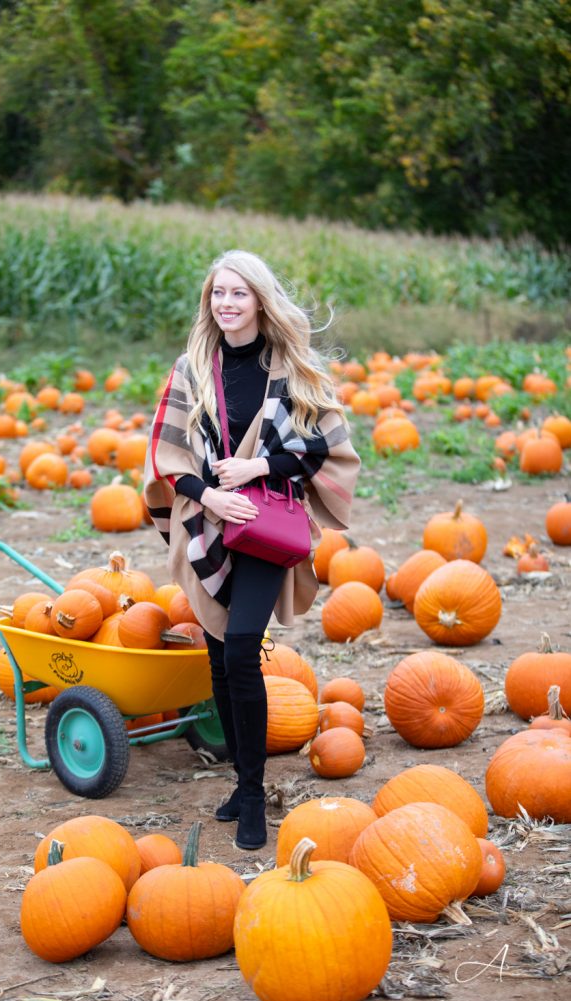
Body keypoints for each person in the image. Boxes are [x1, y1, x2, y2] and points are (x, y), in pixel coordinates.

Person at [143, 250, 360, 850]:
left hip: (267, 527)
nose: (227, 304)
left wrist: (260, 465)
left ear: (260, 300)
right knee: (217, 656)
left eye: (239, 293)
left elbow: (324, 449)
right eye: (218, 293)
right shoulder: (192, 369)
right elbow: (166, 459)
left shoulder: (289, 367)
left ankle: (256, 797)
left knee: (240, 650)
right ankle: (241, 781)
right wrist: (210, 497)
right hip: (211, 524)